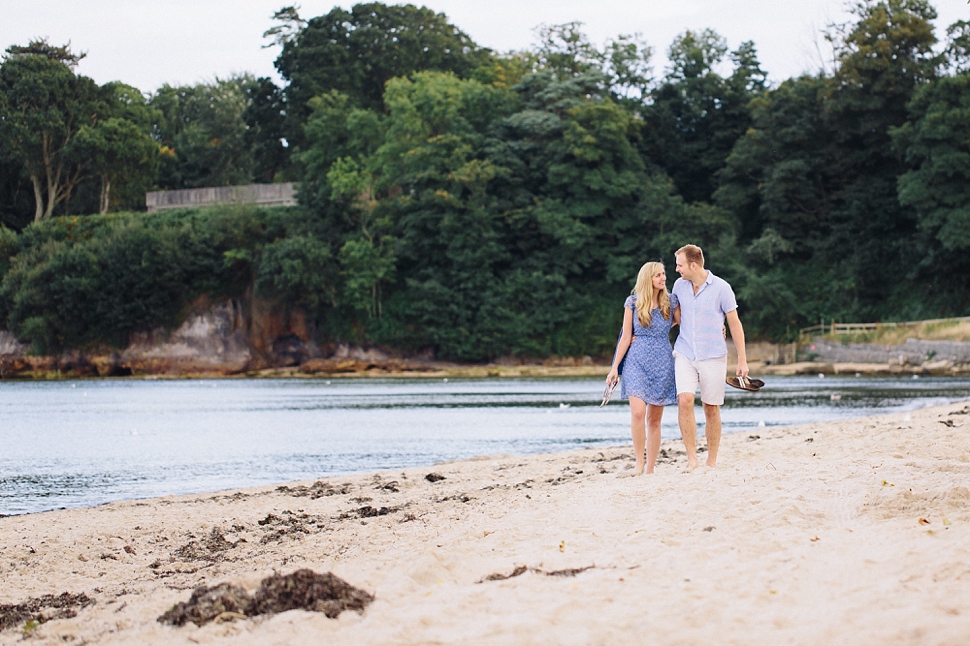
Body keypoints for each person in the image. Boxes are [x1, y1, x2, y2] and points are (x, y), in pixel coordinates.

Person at [671, 244, 748, 470]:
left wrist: (742, 359)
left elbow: (734, 322)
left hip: (713, 355)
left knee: (710, 408)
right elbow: (674, 317)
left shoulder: (722, 288)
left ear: (693, 265)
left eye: (680, 265)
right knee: (684, 400)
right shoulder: (679, 286)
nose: (677, 269)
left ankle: (711, 460)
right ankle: (692, 459)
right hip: (685, 352)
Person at [606, 261, 679, 476]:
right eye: (658, 275)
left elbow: (685, 323)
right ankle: (638, 463)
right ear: (648, 279)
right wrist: (614, 368)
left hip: (662, 362)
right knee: (638, 412)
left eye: (664, 274)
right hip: (636, 362)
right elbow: (626, 337)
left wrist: (717, 328)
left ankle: (650, 468)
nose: (663, 278)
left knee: (654, 419)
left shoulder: (671, 301)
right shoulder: (633, 302)